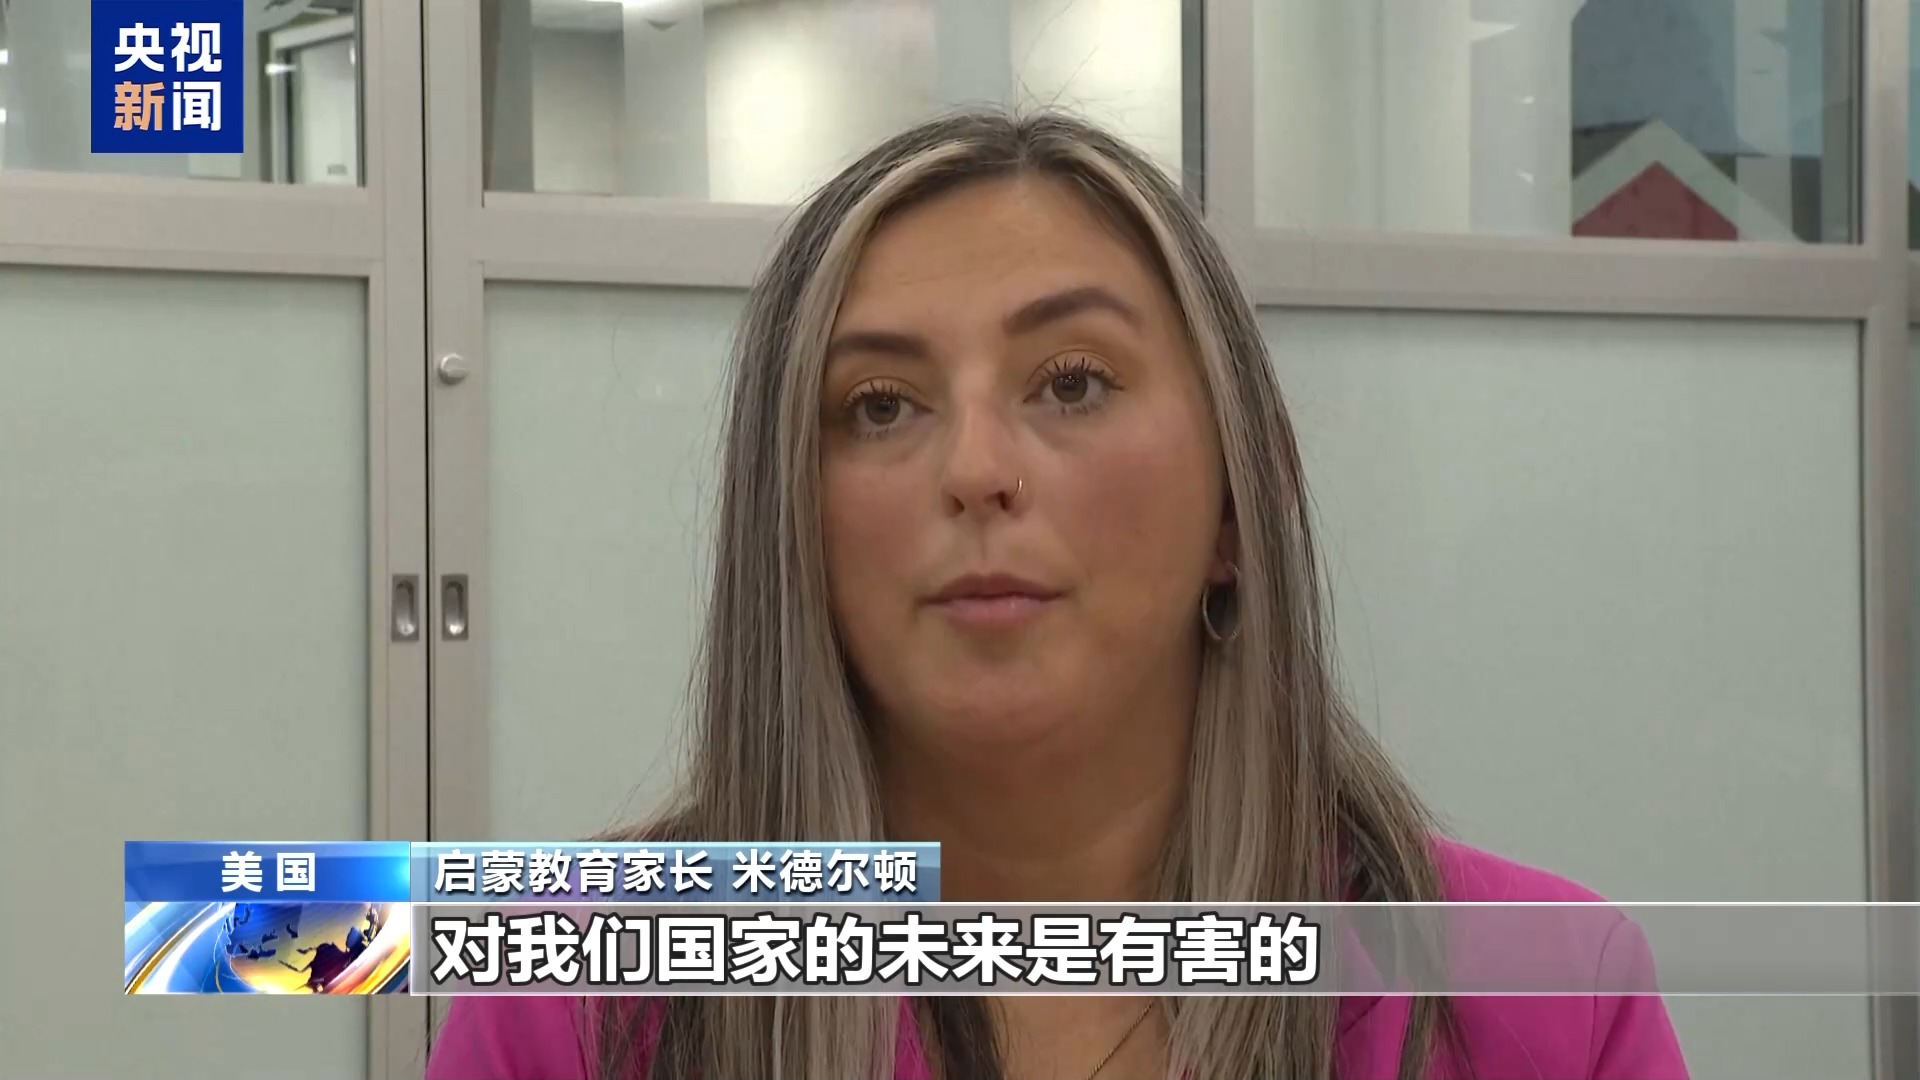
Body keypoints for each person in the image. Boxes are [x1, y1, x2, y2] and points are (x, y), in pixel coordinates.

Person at [424, 109, 1689, 1080]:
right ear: (791, 525)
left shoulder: (1543, 1000)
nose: (976, 470)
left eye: (1073, 383)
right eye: (881, 406)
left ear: (1241, 502)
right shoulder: (573, 1011)